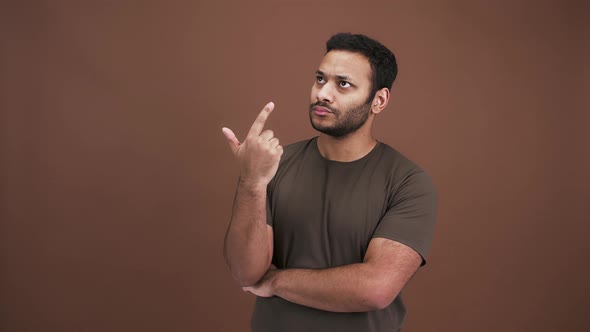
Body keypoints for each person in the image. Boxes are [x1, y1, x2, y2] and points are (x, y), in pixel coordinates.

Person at [221, 32, 437, 332]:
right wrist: (252, 182)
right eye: (320, 79)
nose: (322, 93)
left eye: (343, 84)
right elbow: (246, 273)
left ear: (379, 100)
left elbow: (375, 288)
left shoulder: (408, 183)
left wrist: (275, 281)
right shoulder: (273, 166)